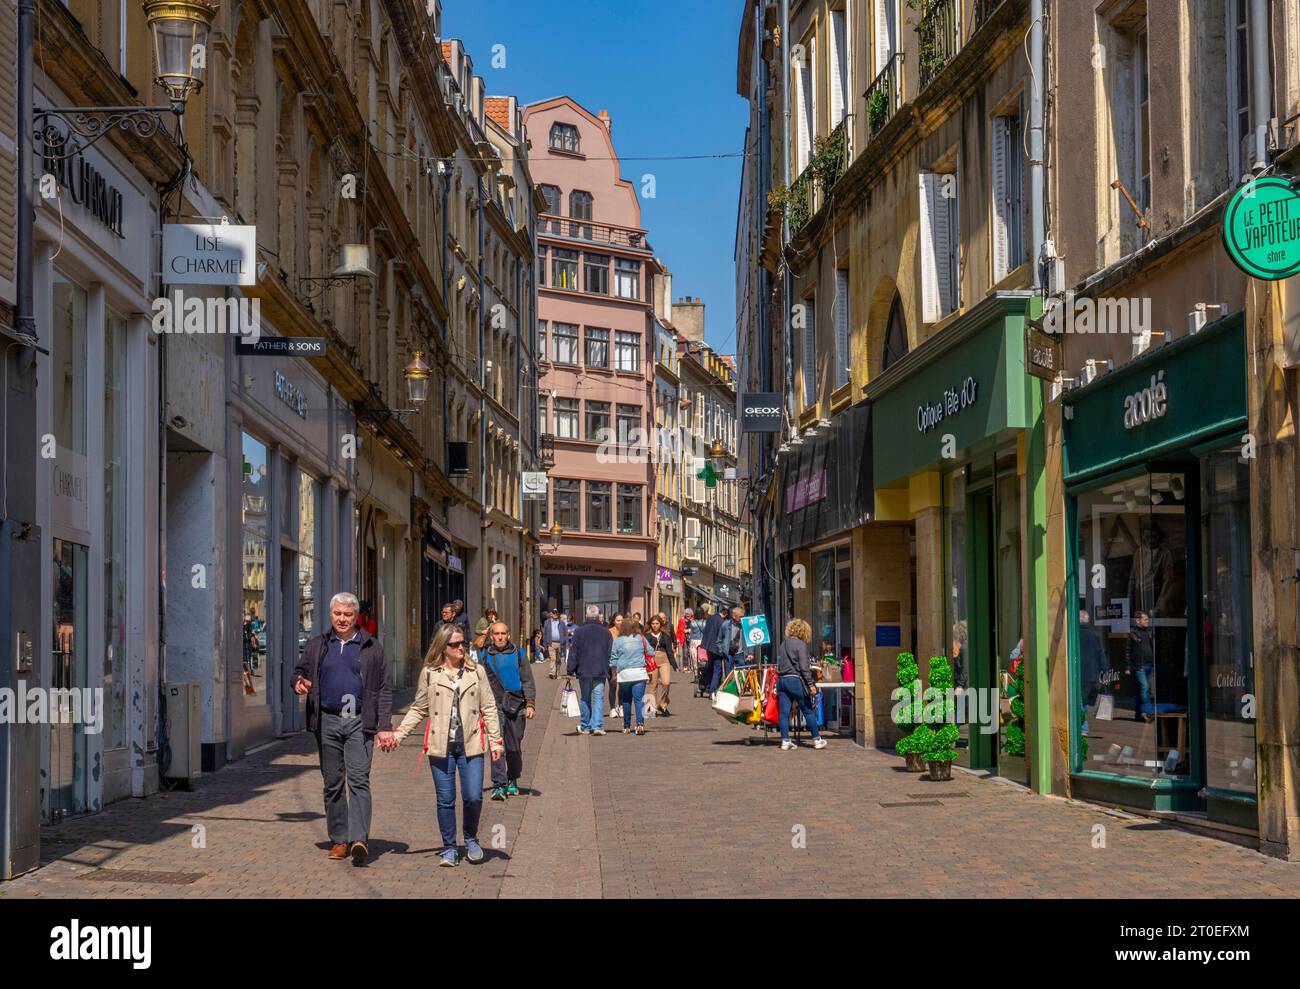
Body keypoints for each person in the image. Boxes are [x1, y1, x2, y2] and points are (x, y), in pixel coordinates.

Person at [389, 623, 504, 867]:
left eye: (463, 643)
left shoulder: (476, 672)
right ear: (443, 647)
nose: (461, 647)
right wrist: (399, 734)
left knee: (473, 796)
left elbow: (490, 708)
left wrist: (496, 742)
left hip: (471, 744)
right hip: (441, 747)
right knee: (446, 799)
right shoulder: (430, 673)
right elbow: (419, 708)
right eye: (455, 644)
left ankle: (471, 838)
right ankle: (449, 847)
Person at [293, 592, 395, 866]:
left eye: (348, 615)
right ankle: (339, 839)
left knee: (359, 779)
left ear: (355, 617)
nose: (342, 619)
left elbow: (384, 688)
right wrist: (299, 682)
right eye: (338, 613)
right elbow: (299, 671)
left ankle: (359, 838)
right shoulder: (318, 645)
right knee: (333, 782)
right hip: (327, 720)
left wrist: (384, 726)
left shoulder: (371, 647)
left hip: (360, 722)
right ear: (331, 614)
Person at [478, 621, 536, 800]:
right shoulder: (485, 656)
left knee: (514, 746)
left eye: (503, 633)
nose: (500, 637)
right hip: (494, 707)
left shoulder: (519, 655)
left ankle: (513, 778)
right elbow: (479, 683)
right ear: (491, 636)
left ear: (508, 635)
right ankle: (499, 783)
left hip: (516, 706)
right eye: (497, 634)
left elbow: (527, 680)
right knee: (497, 745)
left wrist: (530, 704)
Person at [775, 618, 826, 750]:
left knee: (784, 713)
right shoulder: (801, 645)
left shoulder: (783, 644)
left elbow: (779, 663)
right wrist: (811, 684)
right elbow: (804, 667)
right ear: (804, 632)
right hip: (795, 680)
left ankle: (785, 740)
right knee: (808, 710)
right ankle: (817, 739)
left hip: (781, 680)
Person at [568, 604, 613, 735]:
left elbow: (574, 652)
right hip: (600, 669)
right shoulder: (606, 632)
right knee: (598, 697)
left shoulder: (579, 631)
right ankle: (597, 726)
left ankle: (585, 726)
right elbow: (610, 653)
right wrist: (610, 670)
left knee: (585, 698)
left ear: (586, 616)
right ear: (598, 616)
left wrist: (570, 669)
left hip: (584, 669)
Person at [611, 617, 651, 735]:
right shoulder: (640, 638)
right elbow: (651, 651)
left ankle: (626, 726)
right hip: (639, 673)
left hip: (624, 674)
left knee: (626, 700)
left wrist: (614, 674)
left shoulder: (618, 641)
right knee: (639, 700)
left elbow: (613, 659)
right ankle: (640, 724)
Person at [1126, 609, 1155, 722]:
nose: (1147, 621)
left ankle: (1138, 714)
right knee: (1145, 688)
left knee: (1143, 691)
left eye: (1148, 619)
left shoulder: (1150, 632)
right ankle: (1148, 712)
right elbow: (1127, 651)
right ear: (1138, 621)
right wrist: (1128, 667)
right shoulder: (1132, 633)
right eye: (1145, 619)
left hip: (1149, 665)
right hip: (1139, 666)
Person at [645, 614, 677, 716]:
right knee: (653, 685)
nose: (655, 625)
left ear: (660, 624)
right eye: (653, 623)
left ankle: (663, 704)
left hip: (664, 660)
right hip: (651, 661)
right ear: (650, 624)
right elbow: (644, 650)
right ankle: (653, 708)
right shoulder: (646, 636)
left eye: (657, 623)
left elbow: (669, 651)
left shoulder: (665, 635)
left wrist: (674, 664)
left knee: (666, 682)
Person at [716, 604, 747, 681]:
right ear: (734, 616)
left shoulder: (745, 625)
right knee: (729, 675)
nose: (742, 618)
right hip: (728, 654)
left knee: (742, 674)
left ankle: (740, 691)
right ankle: (729, 691)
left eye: (743, 616)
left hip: (740, 653)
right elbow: (719, 640)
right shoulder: (725, 625)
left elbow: (749, 639)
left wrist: (749, 653)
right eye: (740, 617)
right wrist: (722, 651)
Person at [702, 604, 725, 696]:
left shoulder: (711, 618)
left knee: (710, 667)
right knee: (717, 669)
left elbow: (706, 631)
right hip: (717, 648)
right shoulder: (721, 622)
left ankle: (708, 686)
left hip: (708, 646)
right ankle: (712, 690)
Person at [542, 608, 567, 679]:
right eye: (554, 613)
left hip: (559, 643)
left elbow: (565, 633)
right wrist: (545, 644)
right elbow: (545, 634)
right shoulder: (547, 622)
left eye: (556, 613)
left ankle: (558, 674)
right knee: (553, 658)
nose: (555, 614)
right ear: (551, 614)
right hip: (551, 643)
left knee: (558, 660)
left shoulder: (561, 622)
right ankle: (553, 673)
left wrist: (564, 641)